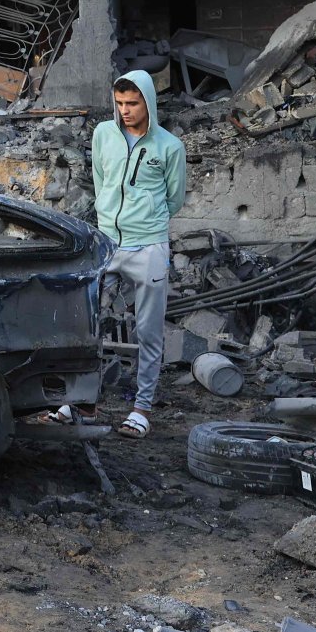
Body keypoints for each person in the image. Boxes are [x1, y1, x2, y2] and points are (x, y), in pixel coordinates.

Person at [38, 69, 186, 438]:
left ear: (148, 102)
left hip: (149, 247)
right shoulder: (104, 134)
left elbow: (175, 198)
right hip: (107, 246)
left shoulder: (170, 147)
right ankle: (80, 402)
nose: (126, 111)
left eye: (133, 103)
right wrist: (109, 222)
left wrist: (146, 220)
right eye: (120, 103)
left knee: (148, 331)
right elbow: (102, 180)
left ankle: (141, 409)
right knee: (87, 323)